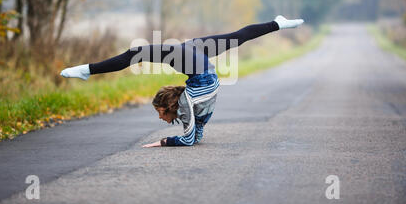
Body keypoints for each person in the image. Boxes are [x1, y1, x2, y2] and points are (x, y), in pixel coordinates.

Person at [60, 15, 304, 147]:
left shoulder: (192, 106)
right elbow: (192, 139)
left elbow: (190, 139)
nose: (160, 118)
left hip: (194, 62)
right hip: (193, 59)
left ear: (171, 106)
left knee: (237, 37)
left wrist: (165, 141)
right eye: (159, 113)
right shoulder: (190, 108)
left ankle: (277, 23)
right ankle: (86, 70)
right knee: (236, 37)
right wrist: (169, 141)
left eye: (159, 112)